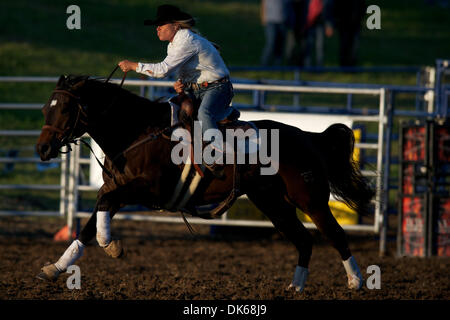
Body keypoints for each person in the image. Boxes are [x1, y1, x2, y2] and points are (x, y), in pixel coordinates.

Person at [118, 4, 234, 172]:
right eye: (157, 25)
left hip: (218, 88)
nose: (157, 28)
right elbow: (186, 69)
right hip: (200, 89)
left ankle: (217, 153)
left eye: (162, 24)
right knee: (172, 109)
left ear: (176, 25)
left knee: (204, 113)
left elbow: (163, 70)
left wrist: (134, 65)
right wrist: (182, 85)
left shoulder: (186, 40)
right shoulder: (175, 43)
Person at [260, 0, 289, 66]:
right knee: (271, 43)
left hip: (283, 20)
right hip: (271, 21)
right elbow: (263, 3)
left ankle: (277, 66)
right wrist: (263, 17)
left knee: (280, 45)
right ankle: (264, 64)